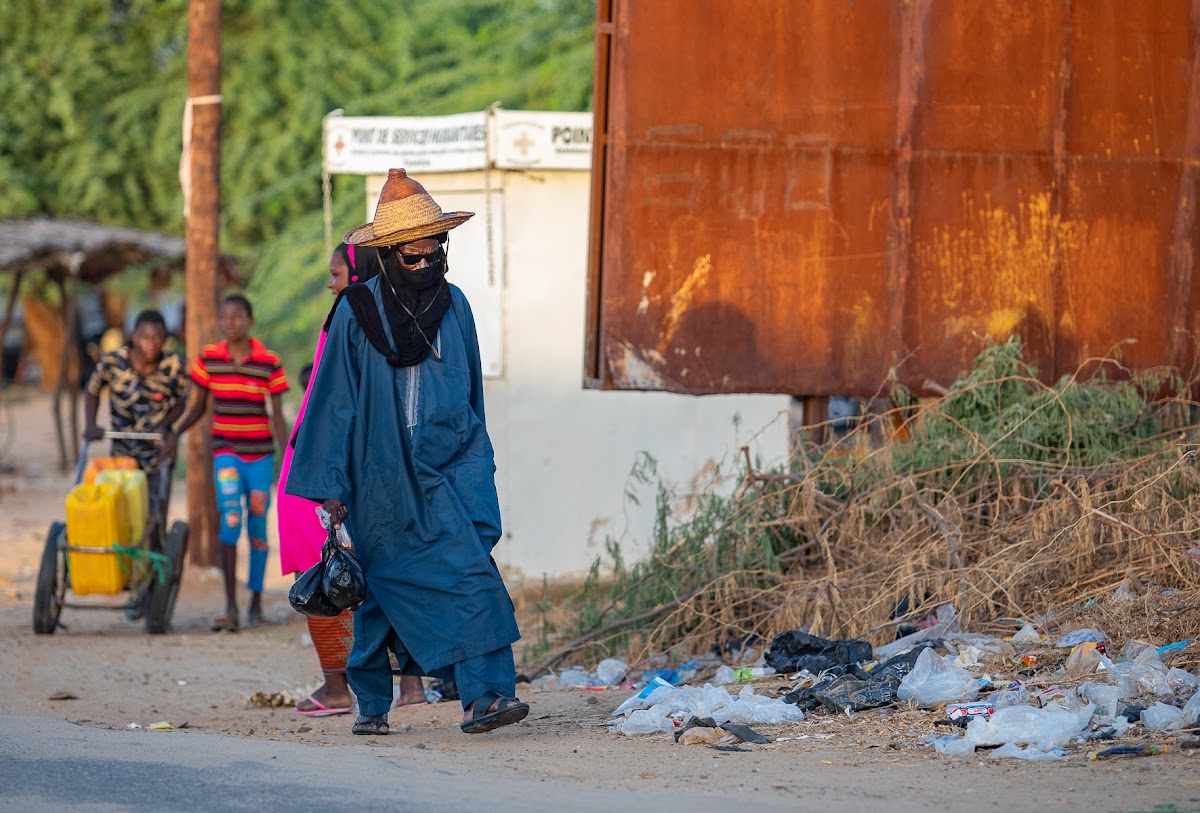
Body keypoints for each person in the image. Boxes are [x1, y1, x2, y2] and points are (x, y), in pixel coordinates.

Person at [286, 168, 528, 736]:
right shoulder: (354, 312)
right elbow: (333, 401)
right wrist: (333, 486)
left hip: (447, 475)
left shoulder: (457, 306)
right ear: (389, 255)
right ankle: (371, 704)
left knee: (474, 579)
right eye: (411, 259)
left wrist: (475, 469)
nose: (425, 267)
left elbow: (471, 397)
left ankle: (483, 698)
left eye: (434, 254)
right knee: (380, 595)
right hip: (378, 483)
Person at [276, 242, 429, 717]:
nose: (331, 283)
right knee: (387, 571)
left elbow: (337, 403)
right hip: (356, 466)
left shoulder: (352, 316)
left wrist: (330, 480)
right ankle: (410, 686)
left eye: (337, 273)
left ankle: (339, 686)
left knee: (322, 571)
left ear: (358, 274)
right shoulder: (394, 316)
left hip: (330, 471)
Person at [164, 294, 289, 632]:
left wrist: (291, 451)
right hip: (227, 454)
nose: (230, 322)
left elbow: (277, 415)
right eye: (225, 316)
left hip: (261, 457)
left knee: (260, 531)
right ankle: (231, 606)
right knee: (230, 519)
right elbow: (198, 407)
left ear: (250, 321)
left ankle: (256, 601)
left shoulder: (269, 362)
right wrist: (176, 433)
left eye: (237, 316)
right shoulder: (209, 359)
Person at [83, 309, 189, 494]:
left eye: (157, 338)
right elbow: (92, 390)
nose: (150, 344)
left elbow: (183, 401)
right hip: (122, 452)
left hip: (158, 450)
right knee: (120, 505)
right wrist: (91, 424)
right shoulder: (113, 362)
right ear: (133, 336)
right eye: (144, 337)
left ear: (165, 339)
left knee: (155, 505)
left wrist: (165, 424)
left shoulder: (173, 366)